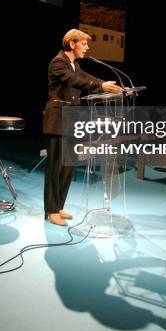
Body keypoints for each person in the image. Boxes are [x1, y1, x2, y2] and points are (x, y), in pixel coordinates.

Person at [43, 28, 122, 225]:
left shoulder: (74, 64)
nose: (86, 48)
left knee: (69, 166)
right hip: (58, 118)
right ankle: (51, 210)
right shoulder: (58, 63)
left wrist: (106, 85)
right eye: (84, 44)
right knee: (55, 166)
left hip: (72, 118)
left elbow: (88, 78)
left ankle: (59, 206)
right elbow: (75, 81)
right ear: (72, 44)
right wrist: (101, 86)